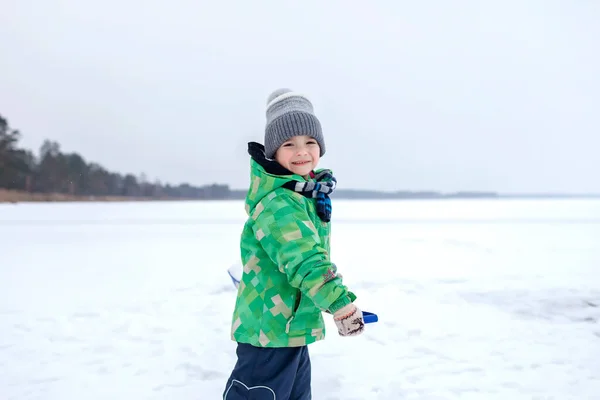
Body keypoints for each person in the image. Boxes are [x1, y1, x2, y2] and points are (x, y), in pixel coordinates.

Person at [223, 88, 365, 400]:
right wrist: (339, 303)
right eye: (289, 144)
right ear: (274, 151)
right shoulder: (280, 203)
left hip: (290, 328)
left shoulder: (304, 195)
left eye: (310, 142)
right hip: (269, 335)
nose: (302, 151)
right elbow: (305, 261)